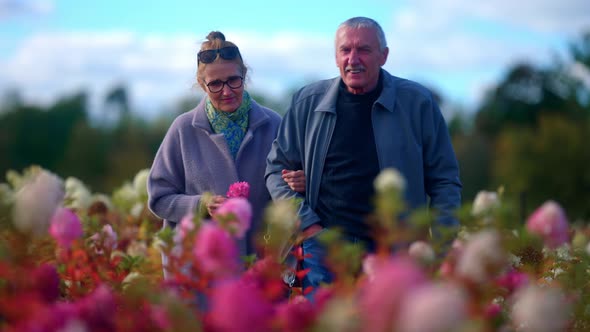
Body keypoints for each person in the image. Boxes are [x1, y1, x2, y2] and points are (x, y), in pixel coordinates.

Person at [265, 17, 462, 295]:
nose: (353, 59)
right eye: (345, 50)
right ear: (336, 57)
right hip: (324, 248)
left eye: (364, 50)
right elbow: (275, 171)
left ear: (384, 55)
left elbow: (444, 181)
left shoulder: (418, 103)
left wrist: (441, 246)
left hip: (394, 250)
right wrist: (307, 225)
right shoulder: (308, 102)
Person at [147, 31, 304, 276]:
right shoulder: (183, 129)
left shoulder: (274, 124)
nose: (227, 91)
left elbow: (291, 192)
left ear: (245, 76)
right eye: (215, 84)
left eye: (234, 80)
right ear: (202, 84)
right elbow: (159, 198)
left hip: (261, 268)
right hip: (198, 273)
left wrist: (300, 181)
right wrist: (201, 204)